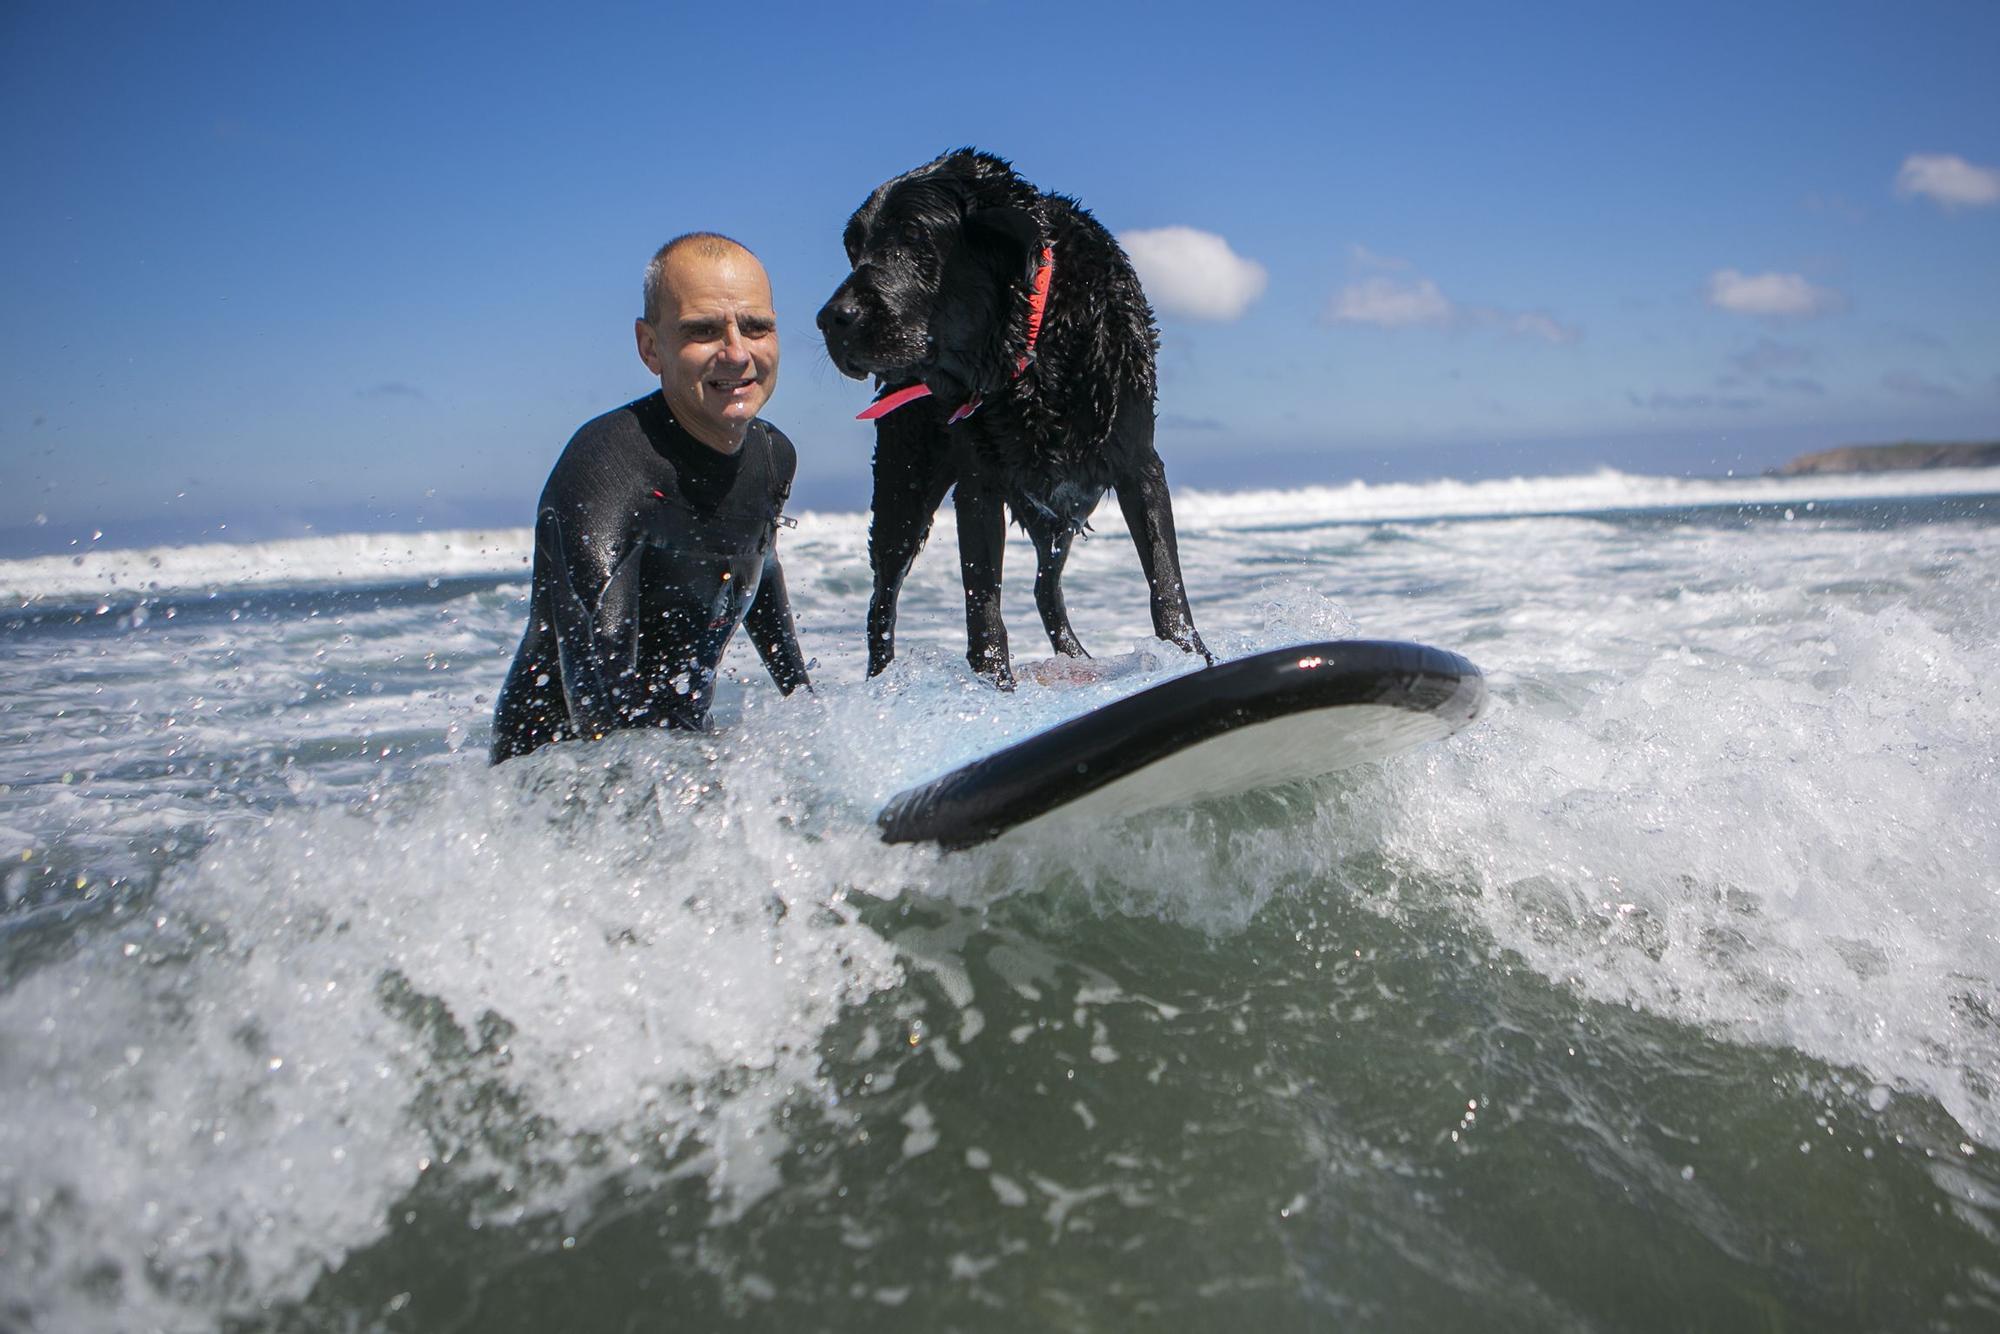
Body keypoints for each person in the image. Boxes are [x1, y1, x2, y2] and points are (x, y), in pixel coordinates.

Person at [491, 233, 811, 762]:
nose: (737, 353)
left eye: (756, 327)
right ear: (649, 347)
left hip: (672, 756)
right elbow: (597, 685)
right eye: (703, 331)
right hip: (549, 780)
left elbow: (758, 563)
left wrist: (808, 711)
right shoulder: (607, 467)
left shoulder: (774, 456)